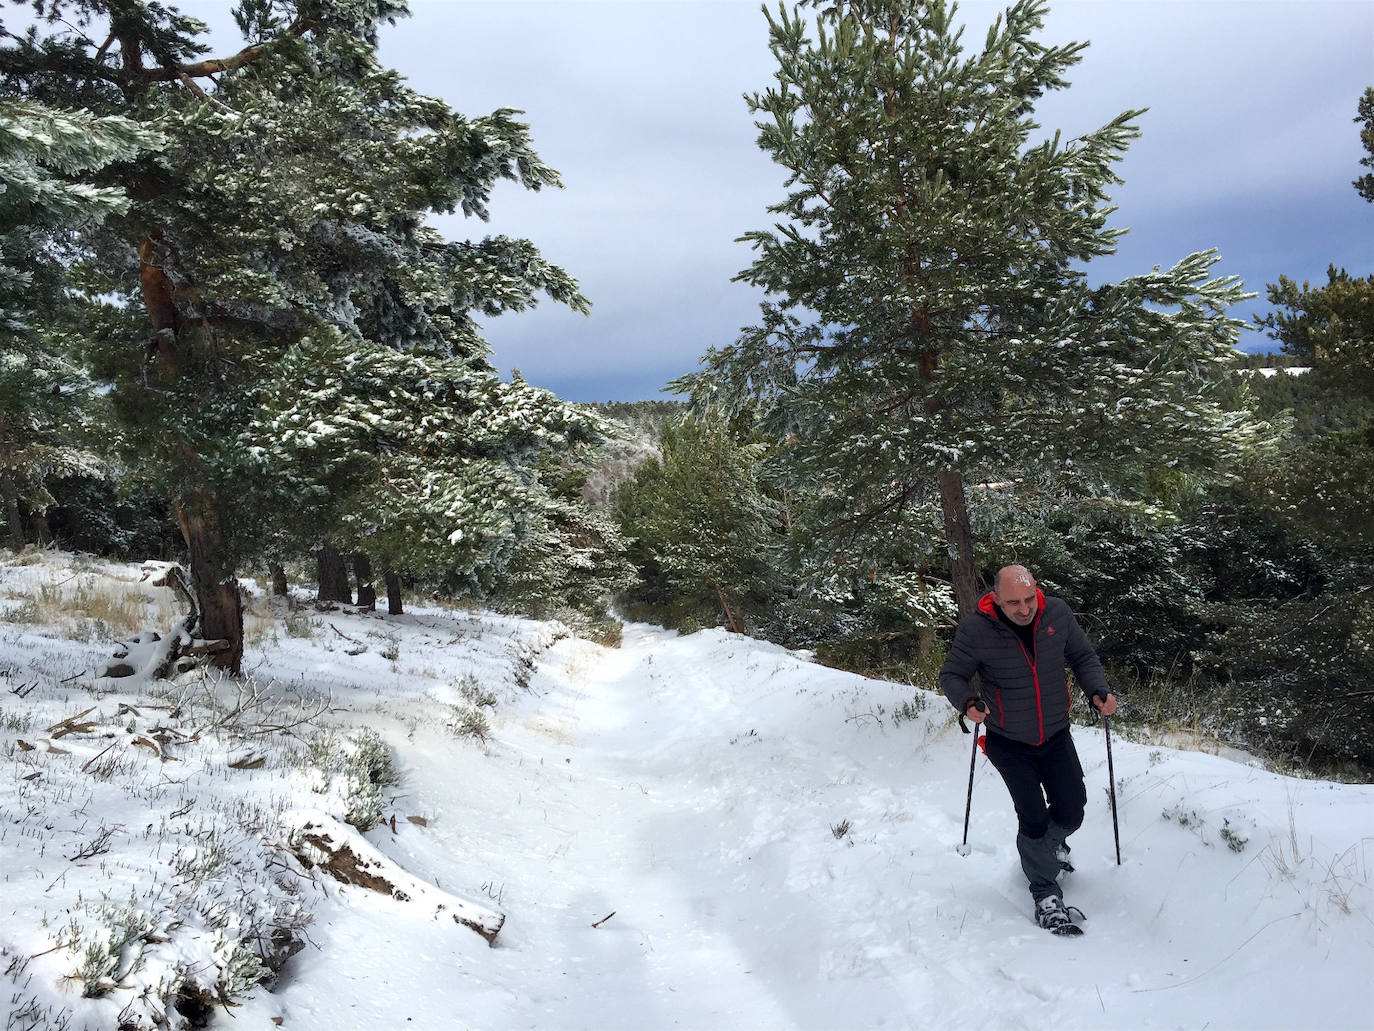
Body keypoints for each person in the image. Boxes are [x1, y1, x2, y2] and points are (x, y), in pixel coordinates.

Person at [939, 564, 1117, 936]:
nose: (1024, 609)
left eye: (1028, 598)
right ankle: (1045, 894)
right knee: (1033, 817)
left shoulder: (1057, 613)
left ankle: (1048, 848)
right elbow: (952, 675)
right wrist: (968, 702)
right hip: (1007, 739)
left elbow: (1083, 658)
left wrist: (1097, 689)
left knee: (1072, 808)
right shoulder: (977, 629)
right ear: (996, 600)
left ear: (1037, 589)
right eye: (1013, 603)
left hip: (1054, 732)